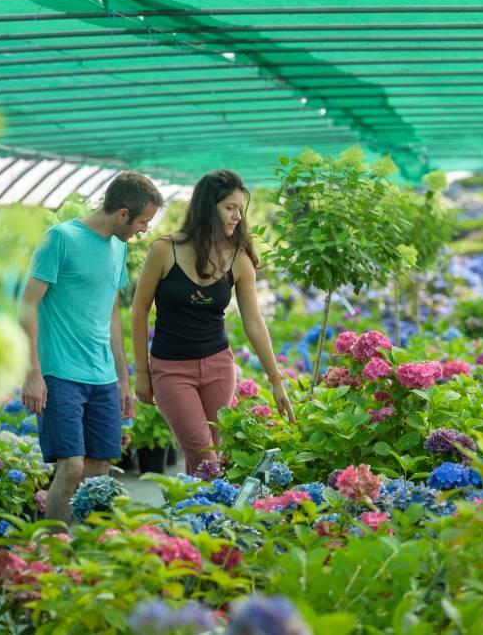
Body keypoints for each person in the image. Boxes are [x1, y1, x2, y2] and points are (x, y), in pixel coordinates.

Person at [19, 171, 163, 524]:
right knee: (71, 467)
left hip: (101, 375)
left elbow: (111, 313)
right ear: (123, 214)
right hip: (61, 372)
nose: (144, 230)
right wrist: (33, 373)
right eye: (143, 221)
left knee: (99, 470)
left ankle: (86, 557)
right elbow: (27, 305)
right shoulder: (60, 239)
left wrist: (123, 377)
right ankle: (50, 555)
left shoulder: (119, 245)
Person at [132, 169, 294, 475]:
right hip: (171, 369)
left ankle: (201, 517)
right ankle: (204, 513)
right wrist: (142, 372)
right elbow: (139, 310)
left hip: (218, 367)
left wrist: (276, 381)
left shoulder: (240, 260)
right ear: (208, 207)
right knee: (203, 452)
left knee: (214, 452)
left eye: (240, 210)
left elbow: (255, 322)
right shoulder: (165, 250)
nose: (237, 217)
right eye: (229, 208)